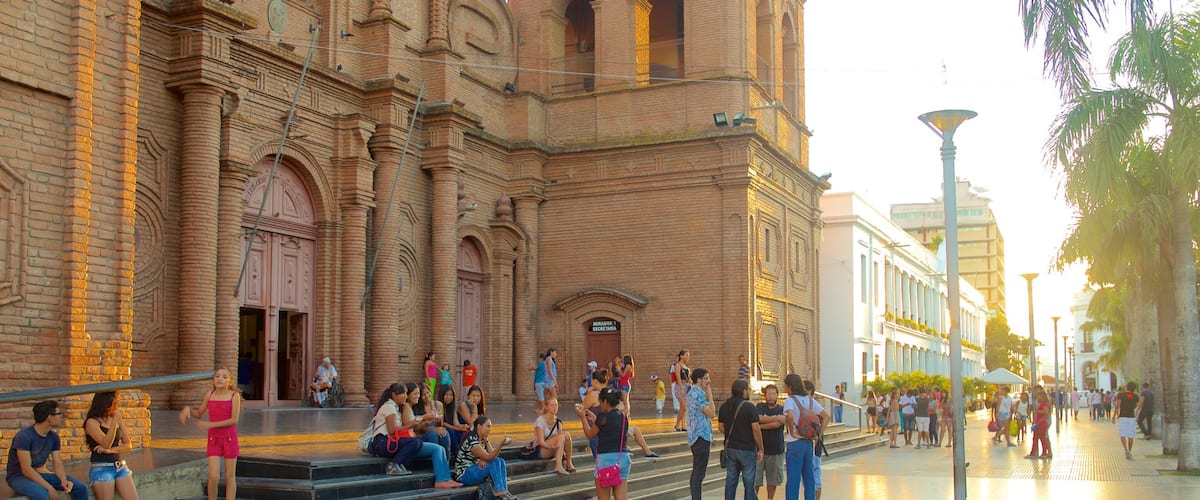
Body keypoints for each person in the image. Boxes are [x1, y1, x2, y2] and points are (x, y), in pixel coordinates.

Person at [179, 367, 243, 500]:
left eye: (224, 377)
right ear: (213, 380)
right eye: (217, 376)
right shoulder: (209, 395)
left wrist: (210, 425)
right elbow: (199, 413)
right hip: (214, 440)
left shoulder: (234, 396)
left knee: (229, 476)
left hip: (229, 439)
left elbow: (234, 419)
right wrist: (188, 410)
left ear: (229, 381)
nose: (220, 379)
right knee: (213, 476)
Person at [5, 400, 88, 500]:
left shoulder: (53, 437)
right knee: (42, 495)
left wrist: (63, 480)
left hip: (38, 474)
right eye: (59, 414)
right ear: (50, 417)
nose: (61, 416)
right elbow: (26, 469)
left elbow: (57, 463)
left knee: (81, 488)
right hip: (18, 477)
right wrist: (49, 488)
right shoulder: (24, 436)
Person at [577, 387, 632, 500]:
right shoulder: (623, 417)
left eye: (601, 402)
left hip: (606, 460)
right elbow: (611, 427)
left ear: (605, 402)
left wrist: (583, 418)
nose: (600, 406)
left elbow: (589, 434)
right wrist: (596, 419)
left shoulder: (603, 417)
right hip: (623, 458)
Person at [83, 391, 139, 500]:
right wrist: (113, 423)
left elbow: (128, 445)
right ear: (106, 404)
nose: (116, 406)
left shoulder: (117, 419)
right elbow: (105, 443)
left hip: (120, 467)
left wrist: (111, 451)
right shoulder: (92, 422)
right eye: (114, 403)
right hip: (102, 469)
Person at [782, 373, 827, 500]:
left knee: (793, 480)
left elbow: (790, 416)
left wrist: (792, 431)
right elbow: (826, 416)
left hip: (795, 443)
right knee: (809, 478)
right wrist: (818, 434)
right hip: (808, 442)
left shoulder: (790, 400)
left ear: (790, 386)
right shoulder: (810, 400)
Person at [452, 416, 518, 499]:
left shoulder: (483, 439)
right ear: (479, 426)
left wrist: (486, 441)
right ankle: (500, 493)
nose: (490, 429)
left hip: (474, 469)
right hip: (465, 475)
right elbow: (489, 457)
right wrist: (501, 445)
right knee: (494, 461)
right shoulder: (472, 440)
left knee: (500, 460)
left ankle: (504, 491)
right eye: (488, 426)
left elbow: (492, 455)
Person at [718, 379, 763, 500]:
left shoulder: (725, 406)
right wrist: (761, 448)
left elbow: (721, 427)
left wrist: (732, 434)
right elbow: (756, 429)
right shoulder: (749, 407)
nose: (749, 391)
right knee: (749, 482)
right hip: (747, 449)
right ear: (743, 391)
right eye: (748, 389)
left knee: (731, 480)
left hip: (731, 448)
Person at [366, 383, 421, 476]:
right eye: (403, 394)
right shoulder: (389, 407)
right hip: (382, 443)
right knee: (414, 442)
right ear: (394, 395)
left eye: (406, 393)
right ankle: (393, 465)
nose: (405, 396)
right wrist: (410, 425)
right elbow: (391, 431)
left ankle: (399, 464)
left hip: (385, 442)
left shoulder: (395, 408)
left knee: (417, 442)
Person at [685, 368, 715, 500]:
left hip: (695, 436)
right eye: (706, 378)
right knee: (699, 473)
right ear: (699, 380)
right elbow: (711, 414)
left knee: (697, 471)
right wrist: (710, 395)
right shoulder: (698, 394)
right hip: (701, 436)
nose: (709, 381)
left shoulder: (692, 392)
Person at [755, 385, 786, 500]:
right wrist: (776, 418)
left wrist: (761, 426)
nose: (771, 396)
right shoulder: (759, 406)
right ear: (765, 395)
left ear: (777, 395)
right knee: (755, 478)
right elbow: (757, 419)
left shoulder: (782, 409)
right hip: (759, 448)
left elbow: (777, 424)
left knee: (773, 479)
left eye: (773, 393)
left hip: (775, 449)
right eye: (768, 393)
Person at [405, 383, 451, 452]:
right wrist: (427, 421)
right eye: (423, 394)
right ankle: (432, 460)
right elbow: (417, 428)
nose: (427, 396)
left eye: (428, 392)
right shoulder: (416, 407)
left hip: (434, 430)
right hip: (421, 435)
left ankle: (446, 460)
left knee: (444, 433)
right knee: (433, 434)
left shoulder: (438, 404)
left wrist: (439, 420)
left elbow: (440, 425)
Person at [534, 399, 576, 475]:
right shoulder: (540, 420)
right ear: (546, 407)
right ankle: (558, 467)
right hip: (542, 449)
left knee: (566, 434)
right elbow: (541, 442)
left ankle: (569, 462)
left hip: (554, 448)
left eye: (556, 405)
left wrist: (560, 452)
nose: (554, 407)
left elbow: (562, 441)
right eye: (552, 405)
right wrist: (551, 447)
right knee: (561, 437)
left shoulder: (558, 422)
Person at [437, 385, 468, 461]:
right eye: (446, 394)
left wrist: (463, 426)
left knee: (461, 432)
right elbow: (442, 423)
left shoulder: (452, 407)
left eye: (451, 395)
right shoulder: (438, 405)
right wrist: (456, 428)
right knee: (452, 432)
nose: (449, 397)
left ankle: (462, 453)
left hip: (451, 428)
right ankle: (457, 454)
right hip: (442, 429)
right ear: (442, 395)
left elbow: (456, 423)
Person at [1117, 382, 1141, 459]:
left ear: (1127, 387)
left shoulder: (1121, 395)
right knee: (1131, 435)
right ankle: (1130, 451)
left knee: (1123, 434)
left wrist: (1115, 415)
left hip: (1123, 417)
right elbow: (1136, 405)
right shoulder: (1135, 396)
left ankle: (1126, 449)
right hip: (1131, 417)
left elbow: (1118, 405)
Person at [1026, 388, 1052, 459]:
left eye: (1038, 396)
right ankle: (1036, 453)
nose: (1037, 398)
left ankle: (1042, 453)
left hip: (1041, 423)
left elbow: (1046, 412)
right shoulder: (1041, 404)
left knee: (1041, 438)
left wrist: (1038, 411)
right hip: (1039, 423)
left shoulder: (1044, 404)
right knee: (1037, 438)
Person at [673, 350, 692, 433]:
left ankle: (683, 425)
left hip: (687, 386)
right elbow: (678, 377)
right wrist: (681, 388)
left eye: (688, 355)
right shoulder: (678, 365)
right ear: (681, 356)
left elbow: (689, 377)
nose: (688, 357)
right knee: (683, 407)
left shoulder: (686, 366)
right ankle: (677, 424)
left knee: (685, 408)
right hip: (680, 387)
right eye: (686, 355)